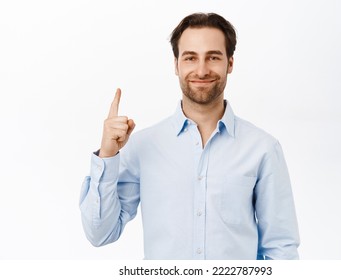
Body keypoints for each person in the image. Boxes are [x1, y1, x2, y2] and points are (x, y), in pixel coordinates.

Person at [79, 12, 300, 260]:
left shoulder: (263, 148)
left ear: (230, 63)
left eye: (213, 57)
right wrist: (108, 154)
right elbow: (100, 234)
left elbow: (280, 249)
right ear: (176, 65)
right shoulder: (143, 146)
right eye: (190, 58)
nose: (202, 70)